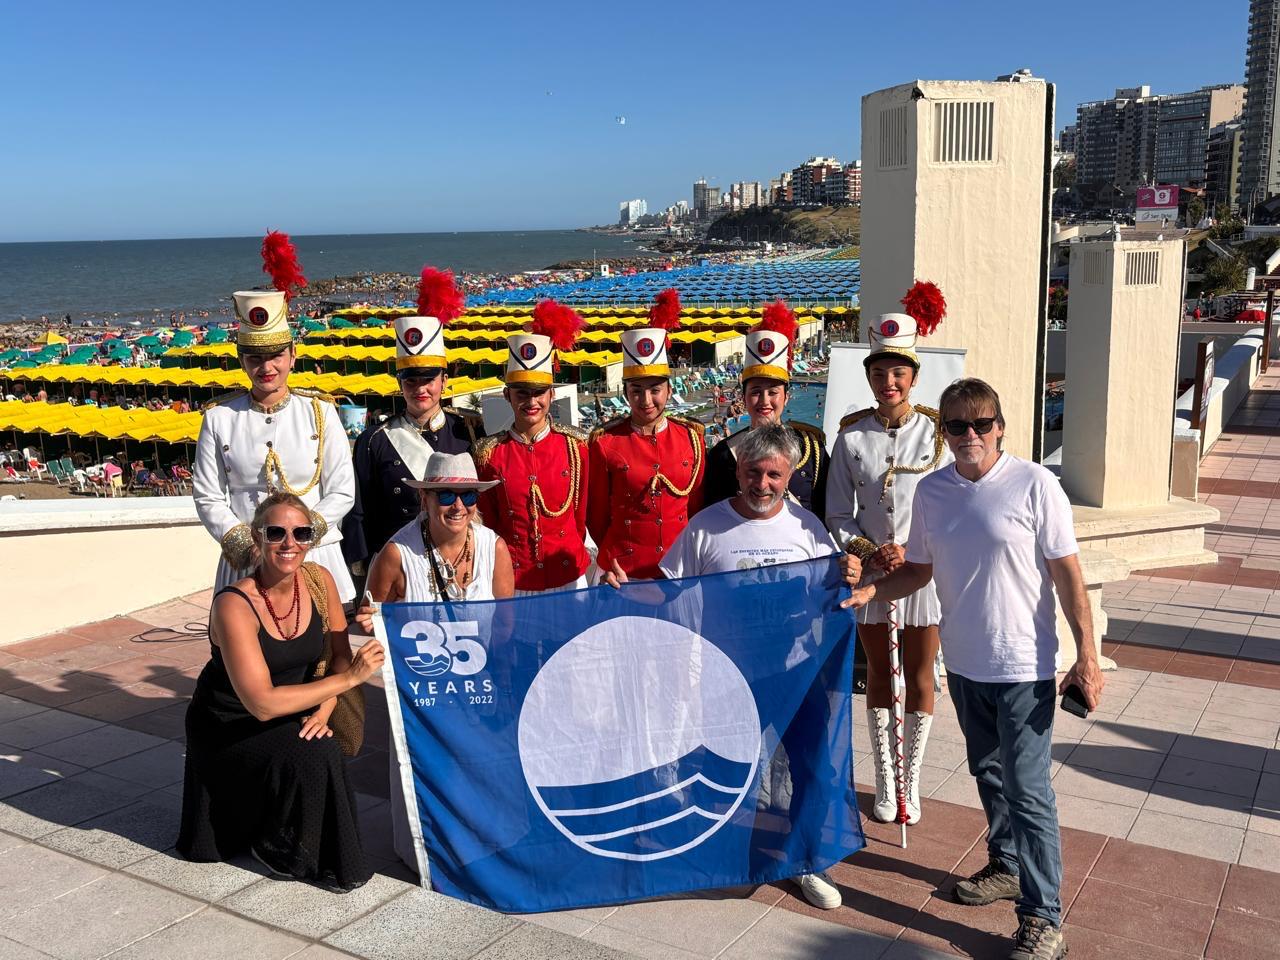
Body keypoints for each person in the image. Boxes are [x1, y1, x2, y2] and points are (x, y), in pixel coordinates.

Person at [846, 378, 1103, 960]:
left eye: (980, 423)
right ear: (945, 432)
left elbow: (1068, 574)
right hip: (963, 665)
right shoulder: (934, 492)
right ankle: (1007, 864)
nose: (969, 435)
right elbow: (920, 570)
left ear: (1000, 427)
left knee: (1029, 789)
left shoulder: (1036, 485)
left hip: (1024, 666)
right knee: (987, 772)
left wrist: (1086, 655)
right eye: (956, 425)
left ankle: (1043, 919)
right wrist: (874, 592)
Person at [605, 424, 862, 912]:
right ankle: (720, 854)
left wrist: (852, 572)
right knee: (727, 771)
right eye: (752, 473)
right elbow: (667, 588)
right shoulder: (706, 526)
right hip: (730, 673)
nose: (761, 485)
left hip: (797, 672)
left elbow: (835, 589)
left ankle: (807, 860)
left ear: (789, 475)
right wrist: (622, 588)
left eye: (773, 475)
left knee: (811, 770)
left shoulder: (808, 527)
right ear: (738, 471)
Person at [178, 491, 386, 892]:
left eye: (301, 533)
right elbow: (261, 702)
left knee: (319, 740)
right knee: (315, 750)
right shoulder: (233, 604)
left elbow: (341, 658)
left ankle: (288, 836)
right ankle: (283, 845)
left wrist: (324, 711)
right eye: (276, 533)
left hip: (296, 706)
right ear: (257, 539)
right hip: (232, 723)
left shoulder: (320, 581)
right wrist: (345, 684)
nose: (289, 543)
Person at [826, 283, 951, 826]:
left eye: (899, 372)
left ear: (914, 376)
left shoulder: (941, 433)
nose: (889, 382)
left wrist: (915, 548)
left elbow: (950, 503)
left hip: (924, 575)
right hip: (874, 575)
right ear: (869, 376)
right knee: (880, 671)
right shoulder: (852, 437)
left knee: (921, 674)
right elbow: (836, 513)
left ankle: (912, 781)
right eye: (880, 372)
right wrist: (872, 551)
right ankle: (885, 779)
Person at [355, 451, 514, 869]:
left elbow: (507, 626)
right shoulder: (397, 554)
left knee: (479, 775)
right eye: (445, 495)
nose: (457, 506)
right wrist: (372, 622)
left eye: (466, 495)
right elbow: (372, 611)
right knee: (429, 776)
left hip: (477, 686)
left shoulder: (494, 548)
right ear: (424, 499)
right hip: (423, 690)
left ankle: (477, 855)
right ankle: (428, 858)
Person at [193, 232, 357, 601]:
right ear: (241, 360)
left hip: (316, 556)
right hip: (246, 560)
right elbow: (207, 495)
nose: (266, 367)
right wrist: (247, 547)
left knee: (326, 654)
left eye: (275, 356)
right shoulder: (219, 418)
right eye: (255, 358)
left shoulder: (320, 411)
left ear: (292, 355)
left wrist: (300, 538)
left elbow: (342, 489)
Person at [343, 268, 480, 573]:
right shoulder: (374, 441)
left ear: (444, 380)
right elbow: (360, 511)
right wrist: (362, 571)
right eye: (410, 380)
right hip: (398, 566)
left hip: (460, 560)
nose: (420, 389)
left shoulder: (469, 430)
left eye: (429, 379)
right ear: (399, 383)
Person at [474, 300, 592, 593]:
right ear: (507, 395)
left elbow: (581, 516)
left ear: (552, 394)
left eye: (539, 392)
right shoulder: (489, 454)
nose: (531, 402)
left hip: (568, 577)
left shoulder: (576, 448)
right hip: (514, 580)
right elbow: (488, 525)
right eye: (522, 393)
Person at [588, 288, 705, 579]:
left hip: (679, 569)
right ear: (626, 392)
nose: (646, 400)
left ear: (669, 389)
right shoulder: (605, 443)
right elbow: (597, 516)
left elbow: (696, 510)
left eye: (655, 390)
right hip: (623, 573)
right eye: (636, 391)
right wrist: (613, 558)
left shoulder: (692, 439)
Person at [703, 299, 827, 515]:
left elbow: (825, 514)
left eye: (773, 392)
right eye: (755, 392)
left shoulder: (812, 450)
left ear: (787, 397)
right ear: (743, 397)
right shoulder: (722, 456)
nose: (764, 401)